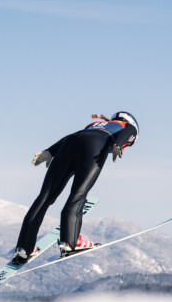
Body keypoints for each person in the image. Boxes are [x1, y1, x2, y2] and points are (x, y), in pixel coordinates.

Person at [11, 111, 139, 266]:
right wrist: (117, 144)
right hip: (94, 146)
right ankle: (70, 243)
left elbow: (73, 136)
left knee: (44, 197)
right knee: (78, 194)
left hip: (69, 144)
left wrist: (50, 151)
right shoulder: (128, 125)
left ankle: (24, 248)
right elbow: (127, 133)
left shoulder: (95, 124)